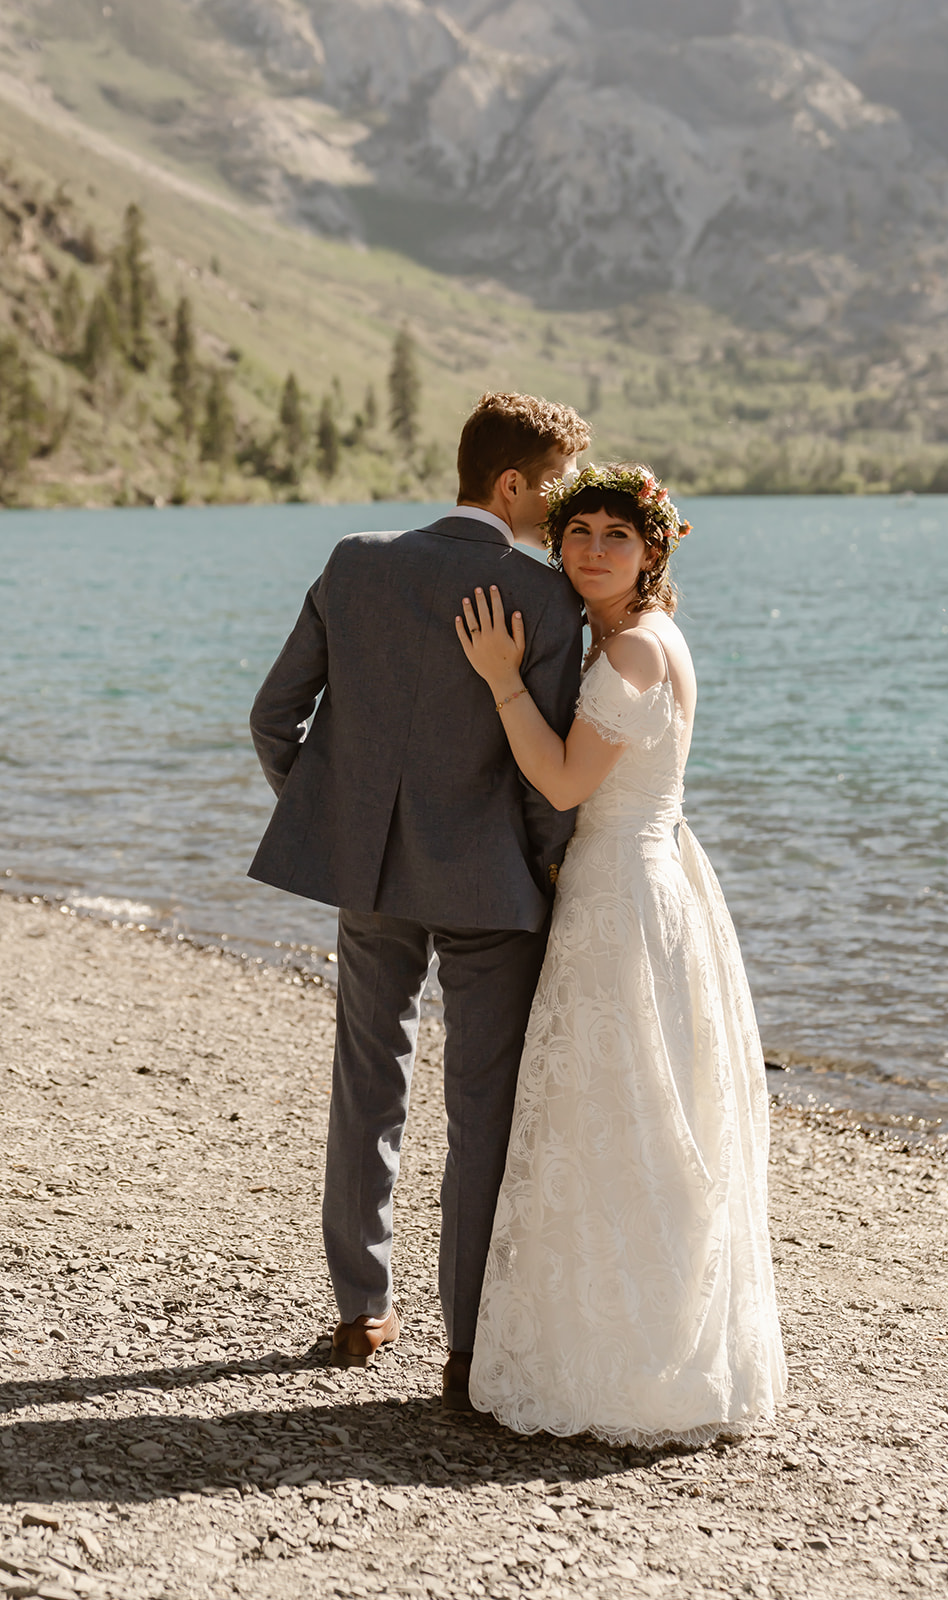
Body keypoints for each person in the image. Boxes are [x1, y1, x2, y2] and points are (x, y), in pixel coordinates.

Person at [248, 391, 591, 1408]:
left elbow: (275, 719)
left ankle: (361, 1308)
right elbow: (544, 779)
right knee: (481, 1108)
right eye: (560, 481)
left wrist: (343, 822)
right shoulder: (541, 598)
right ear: (511, 485)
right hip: (491, 889)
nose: (565, 502)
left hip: (370, 874)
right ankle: (467, 1342)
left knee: (368, 1072)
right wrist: (553, 873)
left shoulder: (356, 560)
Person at [455, 462, 787, 1443]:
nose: (592, 548)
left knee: (620, 1114)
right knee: (633, 1111)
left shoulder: (632, 653)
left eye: (615, 534)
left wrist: (502, 681)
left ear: (650, 551)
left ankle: (632, 1366)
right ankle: (628, 1345)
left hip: (622, 899)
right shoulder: (638, 637)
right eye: (579, 530)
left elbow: (560, 783)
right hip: (646, 881)